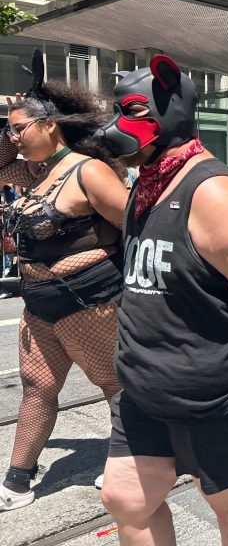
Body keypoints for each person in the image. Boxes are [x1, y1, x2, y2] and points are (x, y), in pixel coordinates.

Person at [94, 55, 228, 545]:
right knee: (125, 499)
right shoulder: (144, 187)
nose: (118, 125)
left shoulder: (213, 191)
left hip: (219, 398)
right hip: (144, 392)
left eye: (132, 111)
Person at [1, 50, 129, 511]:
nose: (12, 136)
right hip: (38, 304)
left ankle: (125, 461)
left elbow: (137, 226)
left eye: (19, 127)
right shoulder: (30, 172)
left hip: (90, 300)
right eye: (9, 128)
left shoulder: (87, 170)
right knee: (37, 387)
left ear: (49, 124)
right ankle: (17, 478)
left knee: (114, 385)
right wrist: (19, 117)